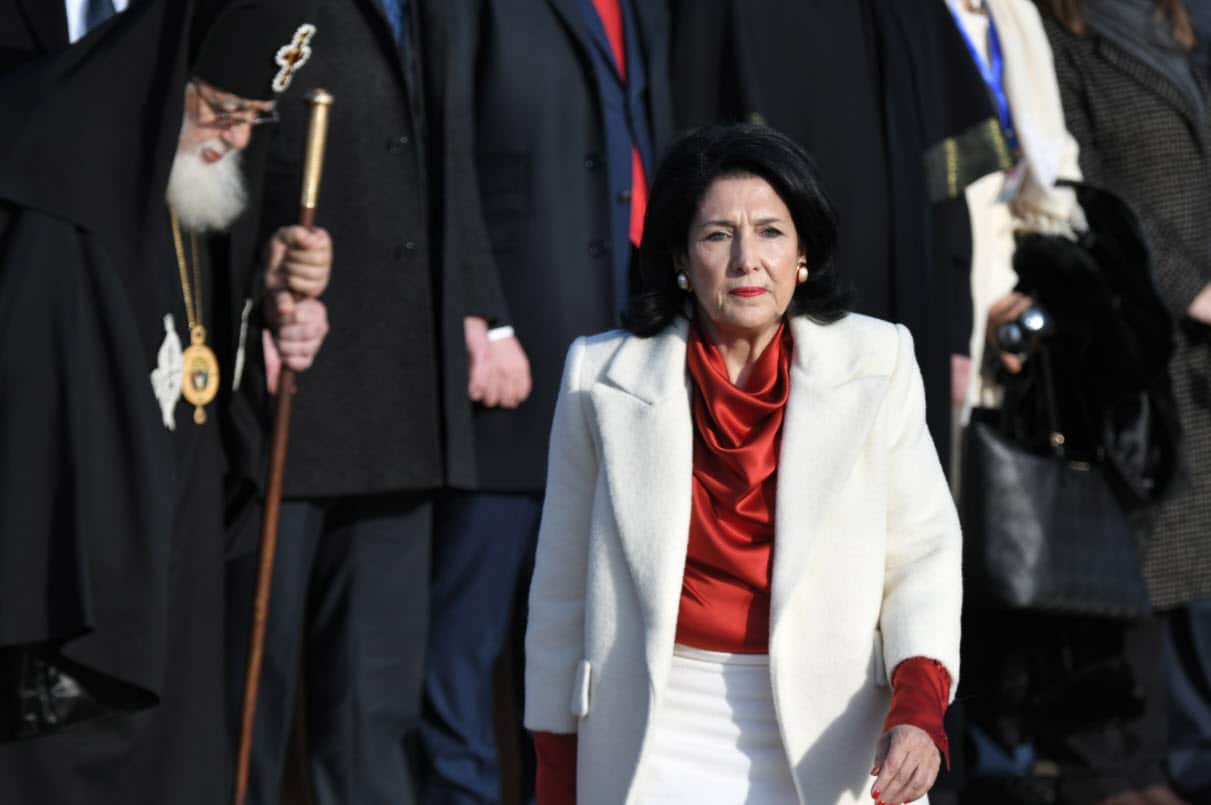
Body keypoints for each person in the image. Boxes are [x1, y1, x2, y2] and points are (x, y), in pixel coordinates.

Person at [523, 124, 962, 805]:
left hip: (835, 729)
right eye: (716, 235)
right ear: (678, 255)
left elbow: (923, 554)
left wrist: (920, 706)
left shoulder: (879, 362)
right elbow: (560, 590)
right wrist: (555, 769)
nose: (745, 260)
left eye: (769, 232)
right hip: (651, 727)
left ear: (802, 253)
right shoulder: (599, 374)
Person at [0, 1, 329, 802]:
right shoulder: (56, 215)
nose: (235, 139)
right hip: (79, 588)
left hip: (173, 552)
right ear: (161, 86)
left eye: (257, 119)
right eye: (222, 110)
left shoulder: (186, 184)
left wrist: (273, 281)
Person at [223, 1, 497, 803]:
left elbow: (450, 155)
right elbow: (210, 141)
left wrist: (480, 308)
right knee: (251, 692)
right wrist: (250, 293)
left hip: (401, 390)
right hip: (279, 384)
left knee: (372, 709)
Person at [418, 2, 672, 801]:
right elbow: (444, 139)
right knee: (466, 636)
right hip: (515, 358)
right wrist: (484, 316)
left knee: (583, 640)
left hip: (620, 362)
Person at [670, 0, 1000, 475]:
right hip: (764, 334)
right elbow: (689, 177)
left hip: (908, 308)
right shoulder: (721, 11)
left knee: (899, 513)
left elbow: (947, 187)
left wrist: (956, 331)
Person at [1037, 1, 1211, 802]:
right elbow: (1085, 179)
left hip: (1195, 340)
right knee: (1163, 565)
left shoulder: (1173, 16)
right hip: (1146, 334)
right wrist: (1189, 287)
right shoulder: (1055, 26)